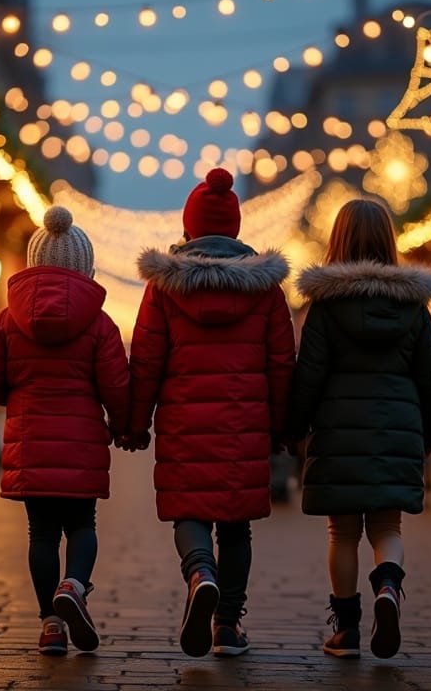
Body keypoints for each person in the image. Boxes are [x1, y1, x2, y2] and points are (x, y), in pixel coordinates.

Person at [128, 167, 296, 658]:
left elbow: (146, 360)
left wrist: (136, 424)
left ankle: (200, 572)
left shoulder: (164, 289)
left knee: (189, 510)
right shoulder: (265, 288)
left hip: (184, 424)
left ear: (189, 228)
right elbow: (282, 364)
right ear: (236, 229)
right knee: (237, 524)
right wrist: (285, 429)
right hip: (244, 428)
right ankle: (227, 626)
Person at [284, 199, 431, 661]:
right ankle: (389, 588)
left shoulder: (327, 307)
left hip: (338, 434)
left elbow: (308, 375)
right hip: (398, 430)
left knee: (343, 533)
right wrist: (428, 435)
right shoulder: (414, 306)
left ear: (339, 240)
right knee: (388, 526)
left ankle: (347, 631)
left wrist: (293, 429)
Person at [0, 206, 130, 657]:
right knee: (82, 524)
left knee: (41, 534)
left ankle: (50, 624)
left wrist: (16, 400)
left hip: (31, 443)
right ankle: (75, 585)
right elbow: (117, 386)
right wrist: (125, 426)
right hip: (82, 447)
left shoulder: (7, 320)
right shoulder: (100, 325)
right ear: (86, 266)